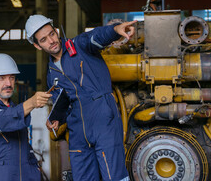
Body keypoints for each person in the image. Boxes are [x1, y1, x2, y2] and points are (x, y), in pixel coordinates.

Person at [25, 14, 136, 181]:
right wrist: (55, 118)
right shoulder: (51, 74)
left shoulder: (80, 45)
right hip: (77, 131)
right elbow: (61, 102)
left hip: (103, 121)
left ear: (56, 31)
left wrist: (115, 30)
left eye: (52, 34)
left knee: (115, 176)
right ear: (37, 45)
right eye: (44, 40)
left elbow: (97, 36)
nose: (51, 40)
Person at [0, 53, 52, 181]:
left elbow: (23, 145)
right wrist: (31, 103)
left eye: (12, 77)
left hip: (26, 174)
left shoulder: (15, 108)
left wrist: (34, 168)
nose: (8, 83)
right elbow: (3, 121)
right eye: (1, 78)